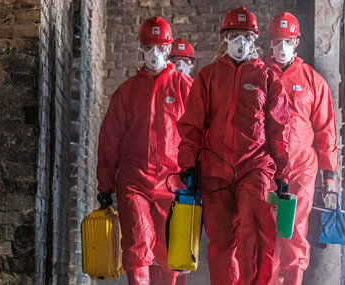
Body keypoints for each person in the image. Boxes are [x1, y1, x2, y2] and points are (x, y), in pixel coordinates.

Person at [176, 6, 291, 285]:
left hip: (255, 168)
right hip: (215, 171)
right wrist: (188, 165)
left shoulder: (267, 78)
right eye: (234, 35)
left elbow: (278, 130)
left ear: (254, 39)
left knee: (254, 233)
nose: (240, 41)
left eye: (246, 35)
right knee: (220, 245)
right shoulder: (208, 77)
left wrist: (282, 174)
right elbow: (192, 125)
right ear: (224, 38)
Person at [96, 16, 193, 285]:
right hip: (134, 182)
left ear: (169, 48)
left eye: (161, 47)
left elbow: (200, 133)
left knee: (171, 252)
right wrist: (105, 185)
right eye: (149, 47)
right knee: (137, 246)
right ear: (141, 47)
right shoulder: (126, 93)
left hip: (172, 183)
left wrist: (198, 173)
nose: (155, 54)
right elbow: (110, 140)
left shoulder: (185, 90)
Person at [264, 12, 338, 285]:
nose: (282, 47)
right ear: (270, 42)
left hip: (301, 171)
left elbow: (325, 130)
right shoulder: (259, 77)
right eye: (277, 41)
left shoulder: (313, 81)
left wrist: (329, 174)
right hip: (267, 170)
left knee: (294, 231)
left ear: (297, 42)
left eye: (288, 41)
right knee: (269, 234)